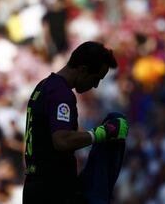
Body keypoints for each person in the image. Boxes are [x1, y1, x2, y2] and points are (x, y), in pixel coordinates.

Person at [22, 41, 129, 204]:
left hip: (36, 186)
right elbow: (62, 141)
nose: (95, 85)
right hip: (52, 190)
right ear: (83, 70)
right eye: (96, 78)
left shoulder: (44, 86)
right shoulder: (61, 94)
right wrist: (103, 133)